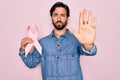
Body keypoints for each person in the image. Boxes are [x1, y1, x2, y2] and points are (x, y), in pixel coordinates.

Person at [19, 2, 97, 80]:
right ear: (51, 17)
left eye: (62, 15)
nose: (59, 19)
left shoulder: (76, 40)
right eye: (55, 15)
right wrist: (23, 50)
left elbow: (91, 52)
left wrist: (88, 44)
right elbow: (31, 63)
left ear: (67, 18)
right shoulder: (42, 43)